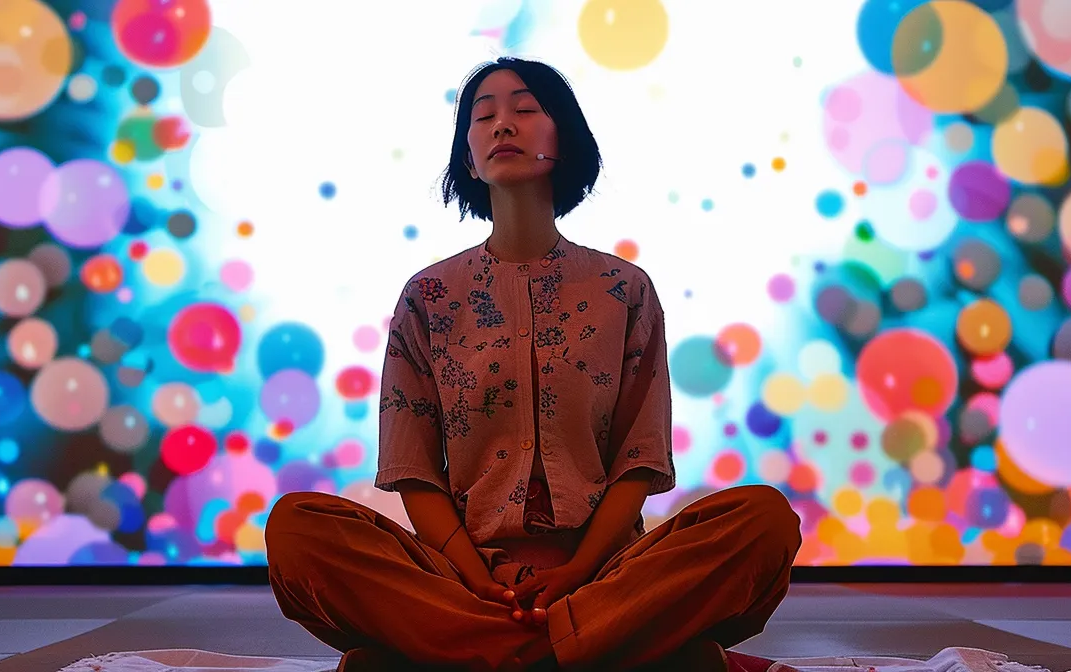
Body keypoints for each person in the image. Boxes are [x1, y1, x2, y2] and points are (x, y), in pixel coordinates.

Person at [266, 57, 802, 672]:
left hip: (609, 572)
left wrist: (579, 573)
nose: (502, 126)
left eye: (524, 109)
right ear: (468, 158)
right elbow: (415, 473)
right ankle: (601, 651)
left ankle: (480, 657)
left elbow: (639, 460)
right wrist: (476, 582)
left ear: (564, 140)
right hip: (461, 579)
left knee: (761, 520)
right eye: (483, 115)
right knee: (297, 528)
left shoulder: (623, 290)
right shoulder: (428, 296)